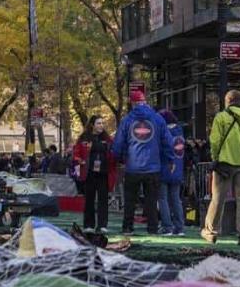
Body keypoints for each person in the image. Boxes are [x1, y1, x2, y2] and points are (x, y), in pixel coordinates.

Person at [202, 90, 240, 246]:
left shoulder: (221, 117)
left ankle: (211, 232)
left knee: (218, 198)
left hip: (224, 165)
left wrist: (215, 159)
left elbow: (215, 140)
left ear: (227, 101)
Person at [112, 90, 175, 236]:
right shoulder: (158, 119)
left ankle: (127, 228)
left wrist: (119, 159)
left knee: (130, 200)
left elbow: (118, 144)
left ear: (132, 103)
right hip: (153, 167)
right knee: (151, 201)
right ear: (145, 101)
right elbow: (168, 141)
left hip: (132, 167)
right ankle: (152, 229)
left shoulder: (127, 120)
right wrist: (170, 159)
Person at [73, 116, 116, 233]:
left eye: (102, 123)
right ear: (92, 125)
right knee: (89, 200)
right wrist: (80, 161)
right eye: (98, 123)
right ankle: (88, 225)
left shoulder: (108, 139)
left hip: (104, 173)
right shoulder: (84, 138)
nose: (101, 126)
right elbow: (76, 153)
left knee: (103, 200)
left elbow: (113, 153)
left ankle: (102, 225)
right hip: (89, 173)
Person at [156, 110, 185, 236]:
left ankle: (167, 227)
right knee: (176, 199)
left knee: (163, 199)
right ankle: (179, 227)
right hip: (178, 171)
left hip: (164, 168)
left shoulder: (163, 133)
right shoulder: (180, 133)